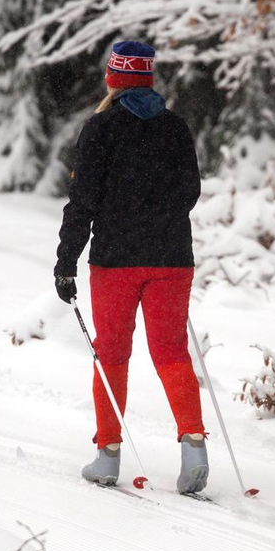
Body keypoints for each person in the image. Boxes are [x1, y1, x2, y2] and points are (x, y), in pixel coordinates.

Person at [53, 40, 208, 493]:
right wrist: (158, 215)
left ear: (113, 78)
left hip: (116, 261)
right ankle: (195, 447)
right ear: (148, 79)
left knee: (112, 355)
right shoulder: (176, 128)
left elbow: (82, 202)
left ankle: (107, 456)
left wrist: (66, 261)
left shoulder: (100, 129)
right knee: (172, 353)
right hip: (172, 259)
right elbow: (191, 192)